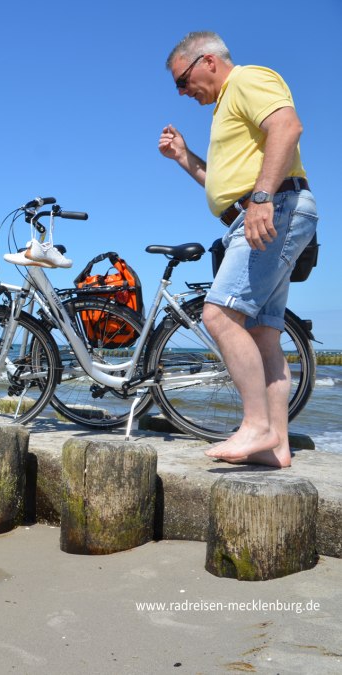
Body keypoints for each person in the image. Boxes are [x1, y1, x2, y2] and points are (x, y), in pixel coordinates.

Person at [158, 32, 317, 467]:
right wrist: (184, 157)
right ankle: (275, 443)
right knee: (264, 332)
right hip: (257, 213)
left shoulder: (246, 80)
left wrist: (262, 199)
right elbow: (224, 186)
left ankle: (254, 425)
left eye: (183, 80)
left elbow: (287, 126)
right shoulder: (226, 105)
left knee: (219, 314)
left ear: (207, 61)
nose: (183, 92)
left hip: (272, 209)